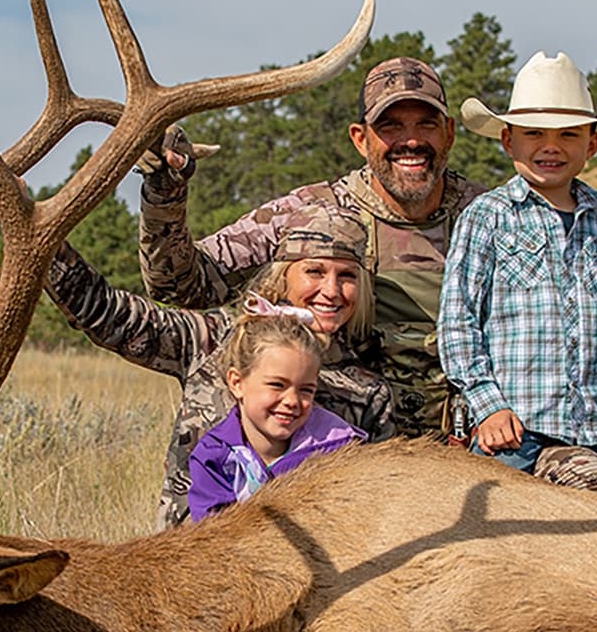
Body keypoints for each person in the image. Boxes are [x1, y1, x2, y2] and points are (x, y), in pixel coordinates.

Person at [136, 57, 486, 441]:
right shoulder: (311, 211)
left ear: (449, 133)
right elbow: (181, 284)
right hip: (341, 446)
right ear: (359, 138)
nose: (412, 140)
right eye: (390, 125)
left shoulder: (490, 217)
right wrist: (164, 191)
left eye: (427, 124)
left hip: (471, 447)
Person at [46, 204, 394, 529]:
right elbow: (106, 313)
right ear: (283, 274)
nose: (331, 290)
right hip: (188, 566)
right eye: (314, 271)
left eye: (347, 276)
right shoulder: (211, 341)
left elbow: (376, 510)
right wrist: (43, 236)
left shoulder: (367, 392)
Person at [437, 51, 597, 511]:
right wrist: (488, 405)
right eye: (534, 133)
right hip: (517, 429)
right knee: (485, 540)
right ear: (508, 141)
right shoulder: (488, 218)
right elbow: (458, 323)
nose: (551, 146)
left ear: (592, 145)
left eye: (568, 135)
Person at [188, 312, 366, 521]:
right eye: (277, 385)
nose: (292, 401)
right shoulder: (213, 456)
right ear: (237, 383)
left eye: (306, 390)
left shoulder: (338, 447)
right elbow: (213, 538)